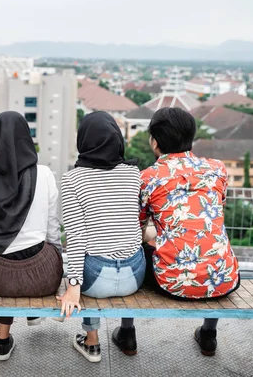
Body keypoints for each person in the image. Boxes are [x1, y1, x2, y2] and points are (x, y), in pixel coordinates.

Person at [139, 107, 240, 356]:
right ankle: (208, 334)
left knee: (137, 252)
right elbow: (210, 216)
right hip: (223, 278)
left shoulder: (147, 178)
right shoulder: (217, 169)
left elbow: (138, 229)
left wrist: (156, 237)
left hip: (172, 283)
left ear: (154, 141)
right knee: (212, 243)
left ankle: (127, 332)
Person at [0, 111, 63, 361]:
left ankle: (2, 341)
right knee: (39, 248)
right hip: (43, 276)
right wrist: (55, 266)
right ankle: (32, 308)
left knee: (2, 258)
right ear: (26, 138)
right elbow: (53, 231)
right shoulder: (44, 174)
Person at [58, 111, 145, 363]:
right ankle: (128, 331)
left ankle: (92, 341)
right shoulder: (133, 174)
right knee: (137, 245)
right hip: (134, 276)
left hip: (95, 280)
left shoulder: (72, 179)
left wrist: (73, 286)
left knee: (84, 256)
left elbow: (75, 236)